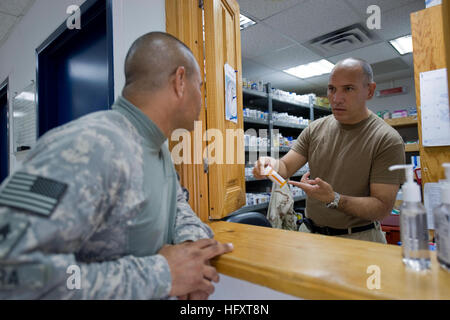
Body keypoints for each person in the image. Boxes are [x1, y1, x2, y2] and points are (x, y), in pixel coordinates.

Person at [0, 32, 233, 299]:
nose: (202, 99)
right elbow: (10, 270)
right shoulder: (89, 145)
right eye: (199, 86)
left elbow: (177, 205)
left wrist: (190, 249)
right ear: (180, 81)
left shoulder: (158, 150)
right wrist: (162, 274)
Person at [253, 58, 405, 243]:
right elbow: (285, 167)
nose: (336, 98)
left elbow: (381, 207)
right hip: (311, 236)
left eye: (348, 89)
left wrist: (334, 199)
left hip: (359, 239)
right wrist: (271, 164)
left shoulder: (387, 139)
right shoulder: (315, 129)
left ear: (370, 90)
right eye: (332, 89)